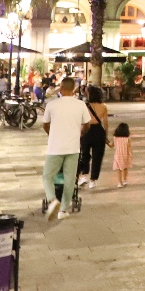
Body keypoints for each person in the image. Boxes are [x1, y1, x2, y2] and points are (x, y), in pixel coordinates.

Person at [42, 78, 92, 220]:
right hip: (73, 147)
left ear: (61, 88)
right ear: (74, 89)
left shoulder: (52, 105)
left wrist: (52, 134)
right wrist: (80, 133)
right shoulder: (80, 104)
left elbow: (45, 124)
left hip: (55, 147)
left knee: (48, 176)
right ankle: (63, 210)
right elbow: (87, 124)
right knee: (70, 179)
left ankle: (52, 200)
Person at [76, 86, 110, 189]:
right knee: (97, 156)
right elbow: (106, 123)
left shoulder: (85, 106)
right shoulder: (103, 106)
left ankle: (84, 175)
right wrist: (106, 136)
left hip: (87, 131)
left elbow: (81, 121)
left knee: (85, 154)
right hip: (99, 131)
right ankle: (93, 180)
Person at [110, 122, 133, 187]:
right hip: (125, 155)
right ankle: (125, 180)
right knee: (125, 168)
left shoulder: (115, 138)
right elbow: (129, 147)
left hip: (117, 155)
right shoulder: (128, 139)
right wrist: (130, 155)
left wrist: (107, 143)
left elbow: (112, 146)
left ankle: (119, 182)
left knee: (119, 169)